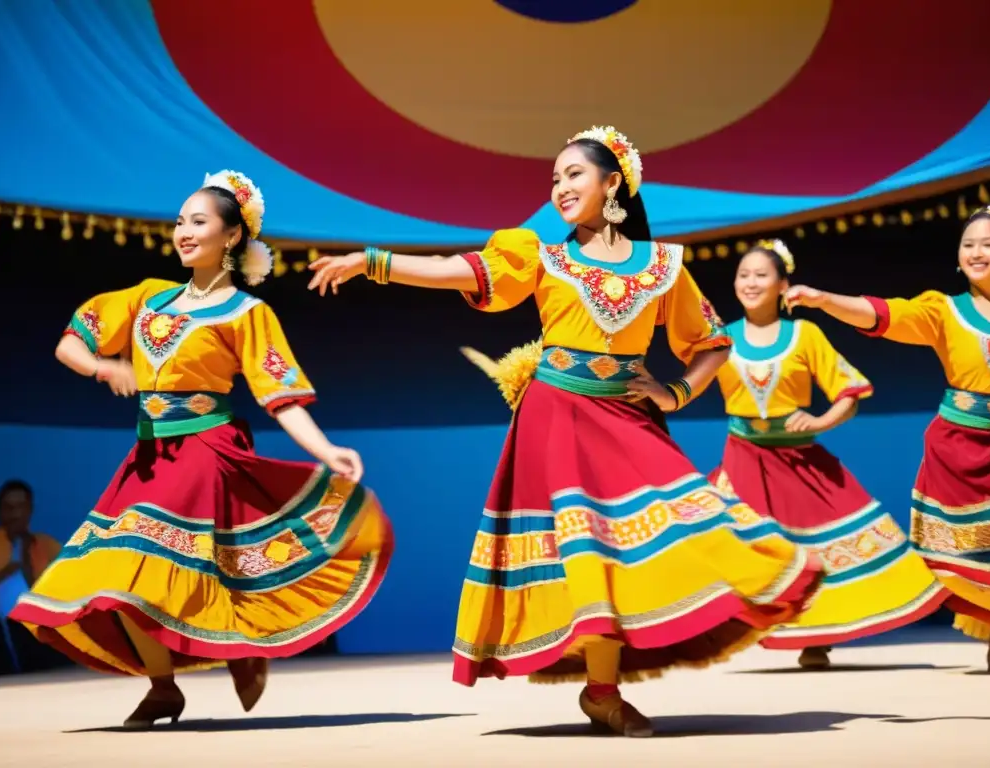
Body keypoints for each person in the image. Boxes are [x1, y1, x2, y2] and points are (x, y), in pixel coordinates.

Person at [307, 127, 823, 736]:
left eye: (573, 174)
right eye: (554, 179)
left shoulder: (664, 266)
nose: (560, 188)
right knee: (586, 550)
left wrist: (676, 391)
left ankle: (615, 681)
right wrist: (371, 262)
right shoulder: (542, 256)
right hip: (556, 416)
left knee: (683, 524)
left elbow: (713, 344)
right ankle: (603, 692)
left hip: (627, 415)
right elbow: (457, 269)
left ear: (614, 184)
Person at [8, 171, 394, 726]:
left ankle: (234, 646)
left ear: (232, 236)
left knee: (156, 564)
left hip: (206, 450)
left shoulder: (246, 314)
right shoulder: (146, 298)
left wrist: (326, 449)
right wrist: (103, 366)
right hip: (147, 456)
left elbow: (281, 398)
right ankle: (166, 685)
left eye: (198, 222)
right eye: (179, 222)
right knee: (119, 572)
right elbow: (72, 343)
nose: (183, 232)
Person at [784, 203, 990, 673]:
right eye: (968, 244)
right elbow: (883, 314)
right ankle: (834, 621)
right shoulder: (944, 311)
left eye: (988, 244)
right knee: (963, 553)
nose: (976, 252)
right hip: (958, 445)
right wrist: (823, 299)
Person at [707, 241, 949, 669]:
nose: (750, 282)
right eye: (744, 274)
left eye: (761, 275)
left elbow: (849, 393)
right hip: (743, 458)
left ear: (783, 285)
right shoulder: (722, 338)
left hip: (798, 460)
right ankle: (731, 630)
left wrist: (819, 423)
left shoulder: (805, 334)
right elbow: (687, 384)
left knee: (819, 547)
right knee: (733, 544)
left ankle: (815, 638)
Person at [0, 480, 67, 673]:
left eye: (20, 507)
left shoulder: (46, 545)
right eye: (8, 508)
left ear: (29, 510)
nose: (15, 514)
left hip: (38, 628)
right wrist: (6, 572)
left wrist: (27, 562)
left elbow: (67, 589)